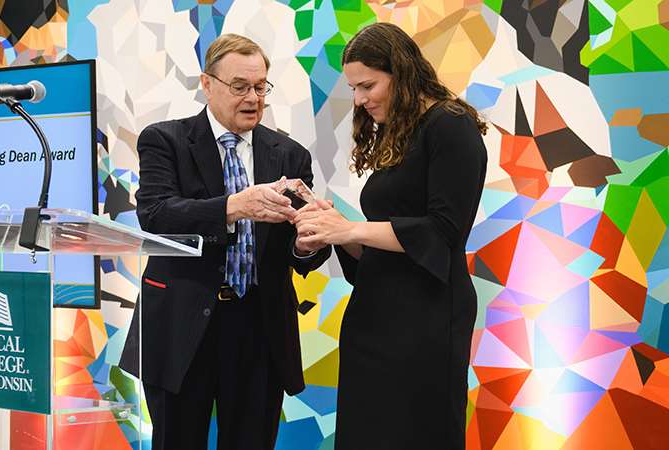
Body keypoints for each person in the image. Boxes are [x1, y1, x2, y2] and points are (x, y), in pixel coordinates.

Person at [120, 33, 331, 450]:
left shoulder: (290, 155)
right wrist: (234, 206)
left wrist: (308, 243)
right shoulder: (165, 140)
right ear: (207, 83)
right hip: (181, 325)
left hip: (260, 327)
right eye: (240, 87)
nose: (253, 98)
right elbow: (157, 214)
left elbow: (302, 251)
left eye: (260, 87)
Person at [293, 23, 488, 449]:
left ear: (401, 73)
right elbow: (388, 242)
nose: (360, 99)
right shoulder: (401, 130)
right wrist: (335, 232)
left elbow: (442, 232)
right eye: (354, 89)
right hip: (376, 317)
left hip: (428, 319)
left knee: (416, 433)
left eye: (368, 85)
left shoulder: (450, 126)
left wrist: (350, 227)